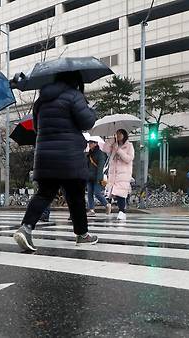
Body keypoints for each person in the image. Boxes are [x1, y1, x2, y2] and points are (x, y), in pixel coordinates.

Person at [13, 71, 98, 251]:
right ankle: (82, 235)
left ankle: (25, 228)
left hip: (44, 155)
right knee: (75, 197)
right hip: (69, 156)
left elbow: (36, 128)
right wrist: (91, 110)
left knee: (44, 193)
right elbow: (87, 122)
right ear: (74, 81)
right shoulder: (74, 96)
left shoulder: (40, 102)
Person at [102, 129, 135, 221]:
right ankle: (115, 208)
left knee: (121, 193)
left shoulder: (129, 146)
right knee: (113, 193)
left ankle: (122, 212)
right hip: (113, 173)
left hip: (123, 173)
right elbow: (105, 149)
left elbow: (129, 159)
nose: (119, 135)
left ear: (124, 135)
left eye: (120, 134)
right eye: (117, 133)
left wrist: (119, 150)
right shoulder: (114, 144)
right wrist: (112, 141)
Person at [86, 140, 108, 217]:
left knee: (97, 193)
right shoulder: (89, 154)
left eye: (91, 143)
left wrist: (99, 179)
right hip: (89, 177)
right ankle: (91, 210)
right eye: (89, 143)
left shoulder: (100, 154)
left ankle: (107, 204)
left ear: (95, 144)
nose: (89, 144)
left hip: (97, 177)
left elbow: (100, 167)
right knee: (89, 194)